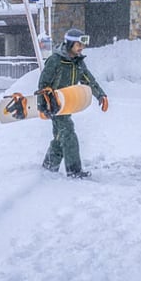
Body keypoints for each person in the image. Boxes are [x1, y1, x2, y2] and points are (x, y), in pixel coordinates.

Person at [38, 27, 108, 178]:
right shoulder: (55, 60)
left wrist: (101, 95)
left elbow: (89, 80)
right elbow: (43, 84)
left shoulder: (78, 62)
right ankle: (74, 171)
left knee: (59, 137)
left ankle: (48, 168)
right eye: (78, 45)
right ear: (70, 44)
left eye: (83, 45)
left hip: (67, 103)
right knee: (68, 133)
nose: (81, 48)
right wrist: (42, 105)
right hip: (54, 104)